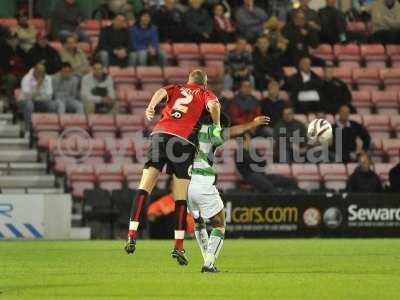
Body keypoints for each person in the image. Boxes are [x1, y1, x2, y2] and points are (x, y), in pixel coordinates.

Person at [125, 69, 221, 268]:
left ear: (188, 80)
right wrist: (217, 124)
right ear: (204, 83)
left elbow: (160, 92)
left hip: (160, 135)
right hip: (183, 141)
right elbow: (214, 105)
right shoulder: (205, 93)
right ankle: (178, 246)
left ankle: (131, 233)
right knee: (180, 197)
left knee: (144, 187)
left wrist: (151, 108)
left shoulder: (177, 88)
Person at [189, 114, 269, 272]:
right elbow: (232, 132)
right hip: (203, 181)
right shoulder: (210, 130)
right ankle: (209, 264)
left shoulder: (189, 130)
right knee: (219, 224)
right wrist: (252, 123)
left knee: (199, 221)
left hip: (187, 181)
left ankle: (207, 260)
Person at [19, 62, 55, 135]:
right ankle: (28, 129)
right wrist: (38, 86)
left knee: (52, 105)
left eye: (43, 72)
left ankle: (47, 128)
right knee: (29, 104)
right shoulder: (26, 78)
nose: (41, 74)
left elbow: (49, 96)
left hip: (40, 101)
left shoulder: (48, 78)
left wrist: (36, 96)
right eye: (39, 71)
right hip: (25, 102)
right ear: (34, 70)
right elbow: (26, 96)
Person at [0, 32, 26, 109]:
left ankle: (24, 101)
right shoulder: (2, 51)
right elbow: (4, 66)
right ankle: (11, 101)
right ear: (7, 40)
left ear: (18, 40)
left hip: (21, 74)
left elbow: (26, 64)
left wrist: (14, 63)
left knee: (26, 79)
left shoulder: (22, 51)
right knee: (11, 78)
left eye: (15, 39)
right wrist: (14, 64)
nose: (13, 41)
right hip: (7, 74)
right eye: (11, 39)